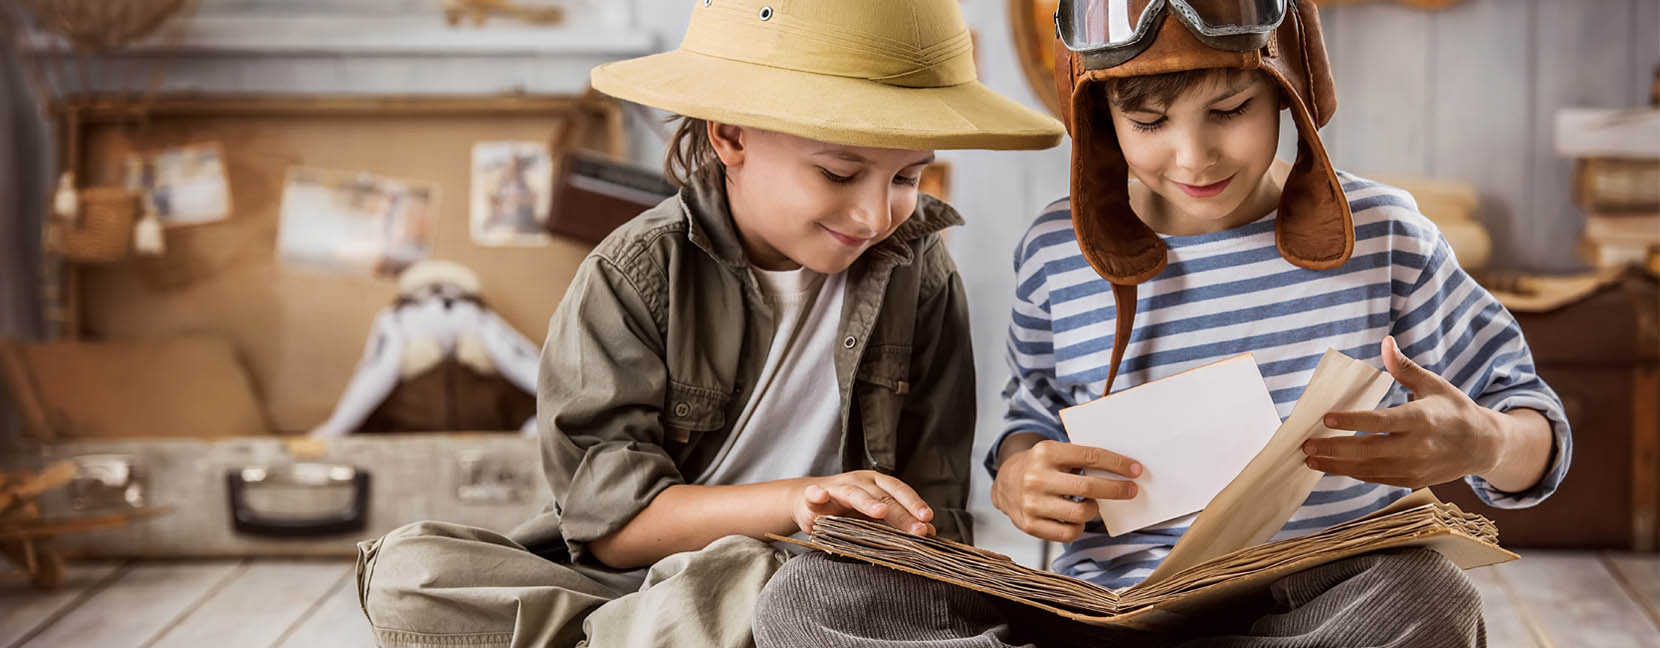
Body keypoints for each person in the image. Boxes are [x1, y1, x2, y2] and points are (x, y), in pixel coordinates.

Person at [753, 2, 1571, 646]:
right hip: (1106, 613)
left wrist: (1487, 444)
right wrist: (1019, 473)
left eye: (1231, 109)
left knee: (1429, 596)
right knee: (814, 593)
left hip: (1316, 605)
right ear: (1103, 118)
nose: (1194, 157)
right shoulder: (1056, 250)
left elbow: (1533, 421)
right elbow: (1027, 424)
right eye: (1149, 123)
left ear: (1289, 88)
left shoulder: (1384, 233)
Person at [352, 1, 1063, 647]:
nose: (876, 216)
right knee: (411, 576)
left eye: (907, 178)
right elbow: (615, 531)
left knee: (800, 594)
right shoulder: (631, 276)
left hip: (818, 579)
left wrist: (883, 541)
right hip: (638, 581)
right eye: (841, 175)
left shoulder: (921, 275)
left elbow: (935, 518)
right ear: (730, 136)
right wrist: (795, 502)